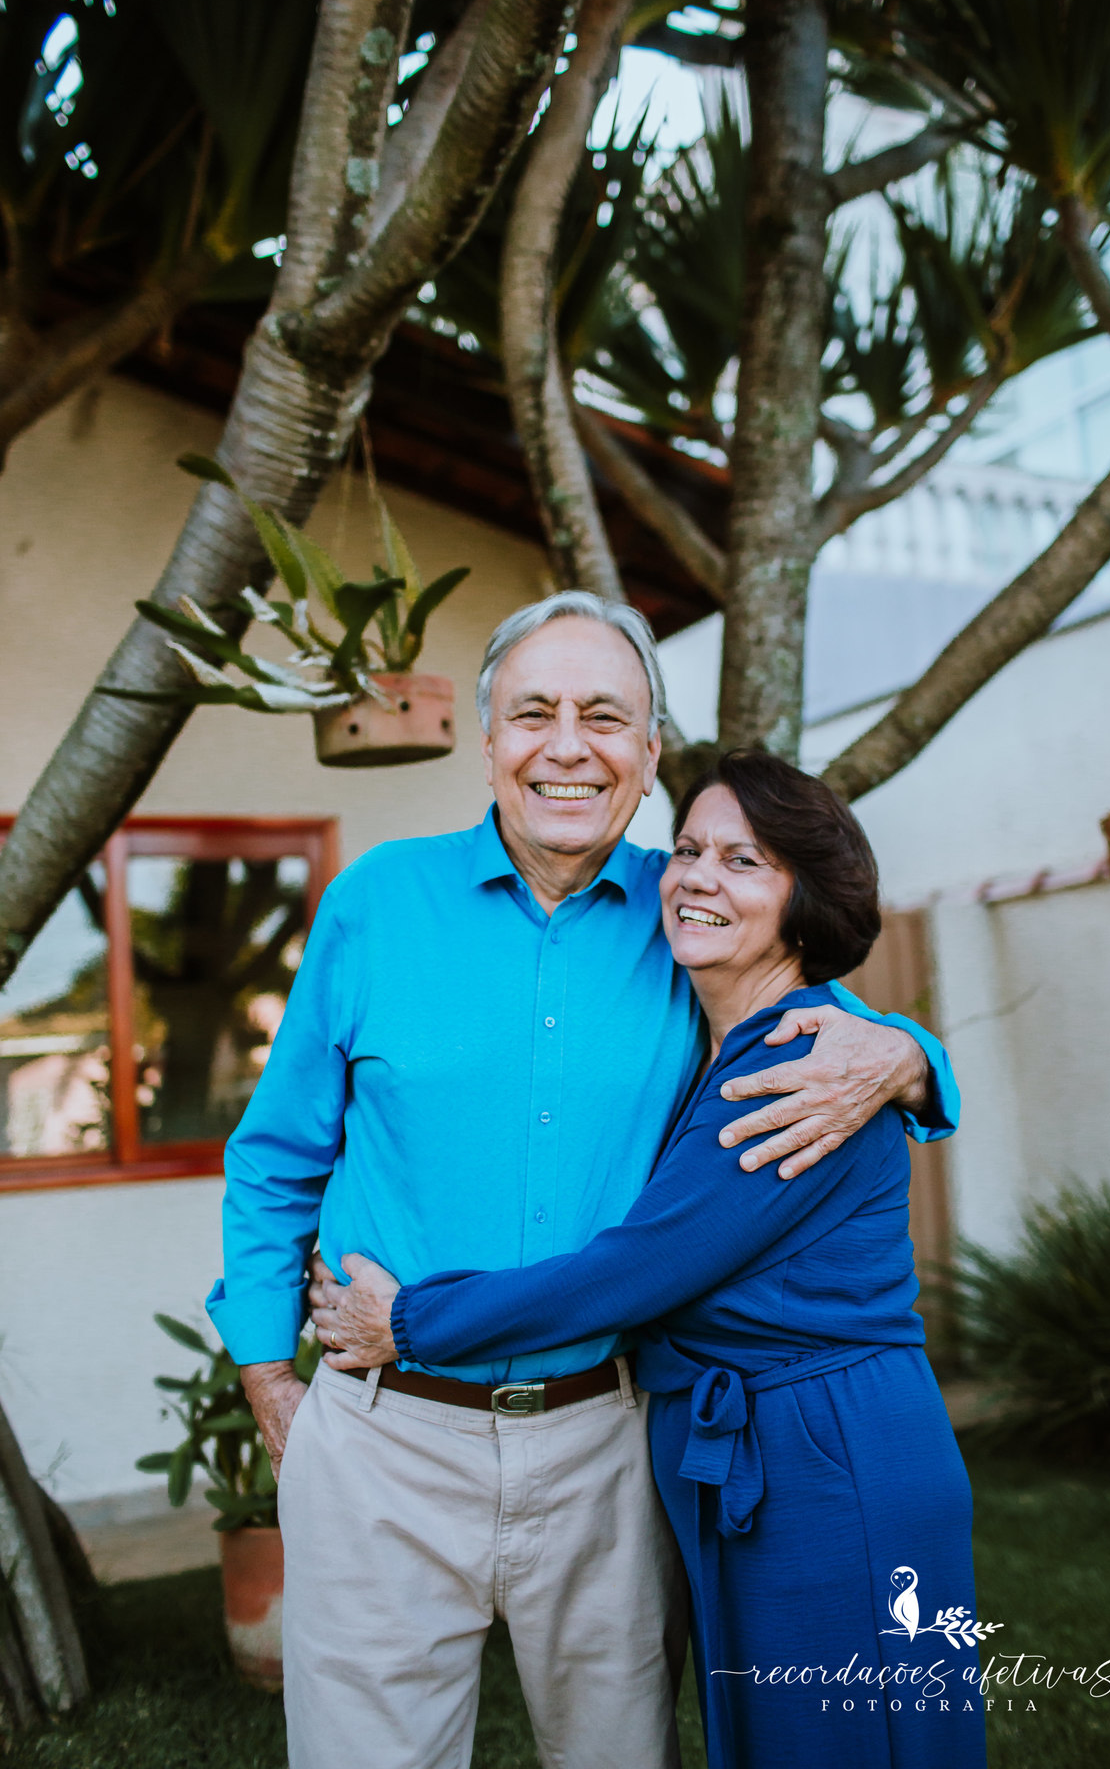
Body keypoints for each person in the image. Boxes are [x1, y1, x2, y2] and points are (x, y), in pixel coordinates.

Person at [207, 591, 960, 1769]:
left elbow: (802, 987)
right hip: (385, 1435)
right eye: (534, 713)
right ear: (489, 739)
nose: (568, 746)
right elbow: (273, 1157)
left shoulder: (683, 907)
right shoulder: (374, 905)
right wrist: (269, 1383)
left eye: (605, 716)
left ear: (648, 753)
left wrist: (912, 1054)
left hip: (607, 1442)